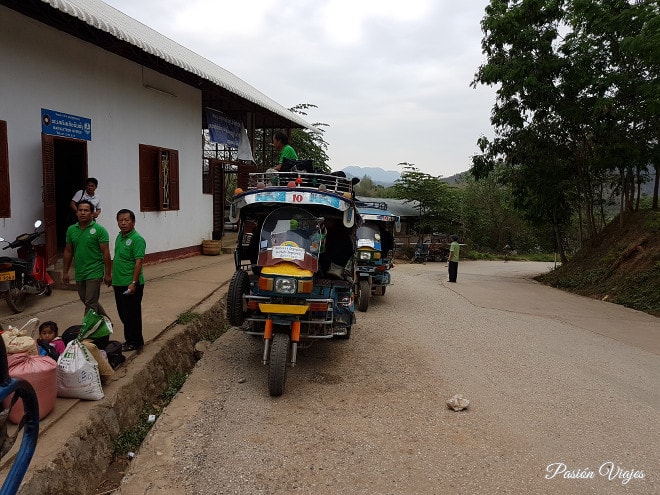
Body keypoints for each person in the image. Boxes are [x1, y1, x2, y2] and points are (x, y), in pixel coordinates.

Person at [62, 200, 112, 317]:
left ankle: (87, 330)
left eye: (86, 210)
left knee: (90, 302)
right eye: (80, 210)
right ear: (76, 212)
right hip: (80, 272)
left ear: (92, 213)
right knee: (88, 300)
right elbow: (68, 251)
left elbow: (106, 252)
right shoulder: (71, 230)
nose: (82, 213)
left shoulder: (100, 230)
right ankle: (106, 320)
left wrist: (108, 274)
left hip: (95, 271)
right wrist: (65, 272)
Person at [112, 209, 146, 352]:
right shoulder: (120, 237)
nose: (124, 223)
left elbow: (138, 263)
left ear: (133, 222)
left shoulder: (137, 239)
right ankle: (130, 339)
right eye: (121, 220)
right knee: (123, 313)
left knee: (132, 313)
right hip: (118, 282)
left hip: (130, 284)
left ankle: (135, 342)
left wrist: (133, 283)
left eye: (127, 220)